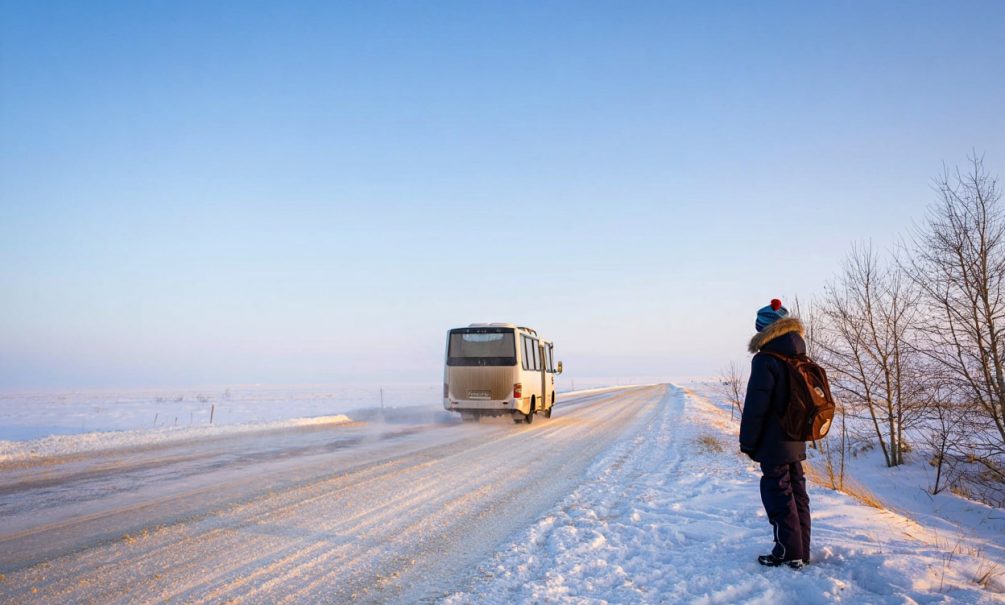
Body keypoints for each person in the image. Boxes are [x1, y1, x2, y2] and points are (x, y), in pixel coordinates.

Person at [739, 299, 811, 569]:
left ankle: (787, 552)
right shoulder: (798, 355)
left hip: (773, 443)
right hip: (795, 437)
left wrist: (747, 442)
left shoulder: (766, 359)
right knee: (797, 493)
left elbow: (756, 407)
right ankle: (801, 550)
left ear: (765, 330)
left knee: (778, 495)